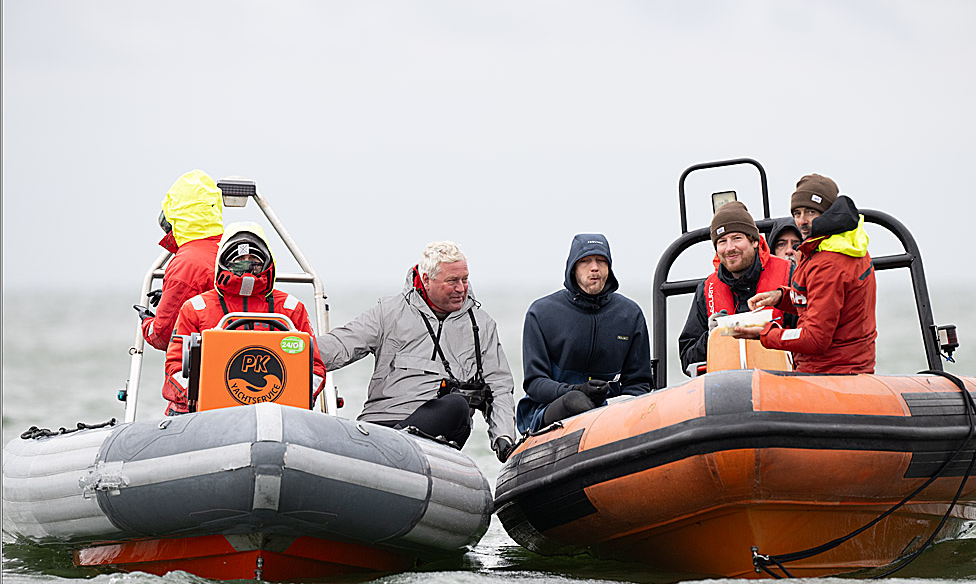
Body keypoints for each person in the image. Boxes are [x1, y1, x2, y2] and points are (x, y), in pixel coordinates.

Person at [317, 241, 516, 463]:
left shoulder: (482, 325)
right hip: (380, 426)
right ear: (426, 280)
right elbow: (341, 344)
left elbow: (499, 387)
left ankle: (395, 450)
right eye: (452, 281)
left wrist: (504, 436)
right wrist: (293, 349)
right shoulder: (389, 312)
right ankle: (386, 450)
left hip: (438, 430)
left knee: (457, 406)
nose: (461, 288)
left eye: (465, 279)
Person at [163, 222, 326, 415]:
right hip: (204, 414)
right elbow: (175, 367)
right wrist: (205, 396)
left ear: (266, 261)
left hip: (278, 413)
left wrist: (294, 399)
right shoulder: (196, 308)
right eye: (239, 259)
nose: (247, 265)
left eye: (254, 259)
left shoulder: (291, 309)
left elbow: (315, 368)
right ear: (224, 261)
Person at [733, 174, 877, 374]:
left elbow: (815, 339)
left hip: (831, 373)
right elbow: (819, 302)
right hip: (852, 368)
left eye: (811, 212)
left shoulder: (828, 263)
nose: (802, 221)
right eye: (797, 213)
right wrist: (780, 297)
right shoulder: (845, 245)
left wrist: (765, 334)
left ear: (828, 212)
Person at [516, 233, 653, 434]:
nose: (594, 267)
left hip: (610, 411)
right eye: (585, 261)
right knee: (576, 401)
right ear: (573, 269)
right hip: (550, 408)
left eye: (601, 261)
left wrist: (616, 406)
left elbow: (639, 383)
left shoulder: (630, 314)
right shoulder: (541, 313)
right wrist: (575, 390)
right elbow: (535, 383)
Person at [678, 201, 792, 375]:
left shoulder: (790, 275)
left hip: (784, 388)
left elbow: (813, 336)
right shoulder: (706, 290)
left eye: (737, 238)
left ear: (755, 241)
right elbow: (687, 359)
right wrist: (711, 337)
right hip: (725, 394)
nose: (729, 248)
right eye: (722, 241)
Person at [135, 170, 223, 351]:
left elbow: (162, 336)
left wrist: (147, 322)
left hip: (198, 369)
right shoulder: (228, 248)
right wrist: (172, 296)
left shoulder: (186, 263)